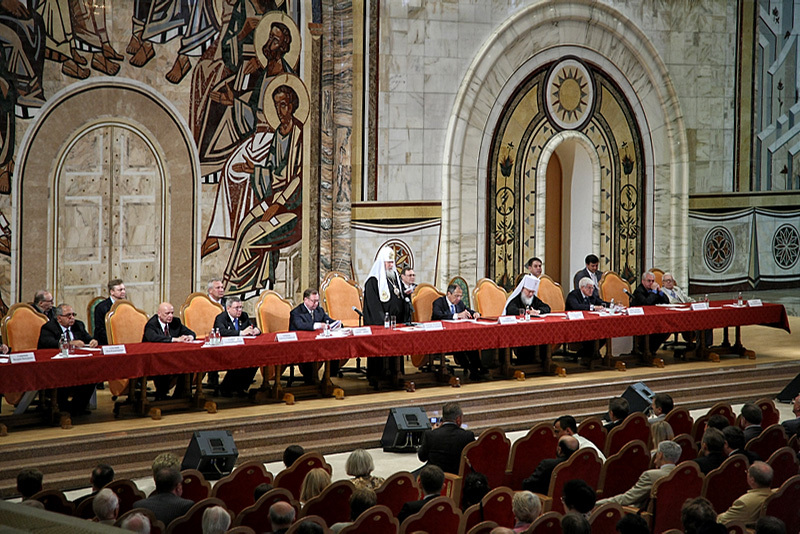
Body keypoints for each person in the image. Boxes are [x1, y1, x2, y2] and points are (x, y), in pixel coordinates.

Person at [38, 303, 99, 416]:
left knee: (92, 374)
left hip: (78, 365)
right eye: (68, 315)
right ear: (59, 318)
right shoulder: (48, 328)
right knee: (63, 376)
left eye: (73, 314)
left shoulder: (78, 325)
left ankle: (78, 408)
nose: (72, 318)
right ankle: (62, 408)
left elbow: (88, 339)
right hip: (56, 367)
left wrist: (93, 341)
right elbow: (48, 343)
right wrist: (69, 344)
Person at [362, 246, 409, 387]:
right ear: (381, 262)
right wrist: (384, 322)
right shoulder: (373, 281)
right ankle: (378, 376)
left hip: (396, 324)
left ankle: (397, 373)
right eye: (388, 262)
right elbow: (373, 306)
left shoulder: (395, 278)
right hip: (381, 325)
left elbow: (400, 298)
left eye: (392, 262)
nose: (391, 265)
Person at [596, 440, 681, 507]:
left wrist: (597, 504)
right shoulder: (683, 474)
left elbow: (627, 499)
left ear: (660, 455)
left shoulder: (650, 476)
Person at [431, 284, 488, 381]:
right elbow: (438, 315)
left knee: (471, 343)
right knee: (459, 345)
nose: (459, 299)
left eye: (460, 296)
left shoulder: (460, 304)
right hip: (442, 336)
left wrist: (475, 313)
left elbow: (467, 310)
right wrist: (456, 315)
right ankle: (472, 369)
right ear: (449, 294)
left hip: (458, 335)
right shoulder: (439, 302)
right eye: (456, 296)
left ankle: (478, 368)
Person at [143, 302, 196, 400]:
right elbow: (153, 337)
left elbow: (191, 333)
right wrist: (174, 339)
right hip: (154, 360)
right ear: (159, 313)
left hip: (173, 358)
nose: (170, 316)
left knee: (189, 363)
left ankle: (181, 395)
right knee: (162, 366)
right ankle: (161, 395)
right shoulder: (152, 324)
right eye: (167, 313)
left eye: (172, 313)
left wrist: (189, 337)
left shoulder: (175, 322)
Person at [214, 296, 261, 397]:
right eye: (237, 308)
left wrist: (257, 330)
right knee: (238, 361)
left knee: (254, 359)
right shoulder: (221, 318)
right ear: (228, 308)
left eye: (241, 307)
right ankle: (226, 388)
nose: (240, 310)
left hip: (243, 348)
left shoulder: (243, 316)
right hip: (226, 349)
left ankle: (241, 387)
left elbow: (252, 326)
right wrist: (241, 333)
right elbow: (222, 331)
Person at [289, 288, 335, 385]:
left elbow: (329, 320)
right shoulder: (296, 312)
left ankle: (326, 379)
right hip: (298, 346)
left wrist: (338, 324)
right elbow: (300, 325)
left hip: (316, 343)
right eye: (313, 301)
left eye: (317, 301)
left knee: (333, 348)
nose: (316, 304)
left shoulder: (319, 311)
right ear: (305, 300)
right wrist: (318, 325)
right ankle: (311, 382)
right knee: (310, 352)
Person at [504, 274, 551, 364]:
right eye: (528, 292)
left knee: (545, 332)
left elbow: (547, 308)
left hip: (535, 329)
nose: (530, 295)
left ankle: (544, 361)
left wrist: (538, 311)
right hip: (517, 331)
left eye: (532, 292)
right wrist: (527, 312)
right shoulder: (516, 299)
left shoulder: (534, 299)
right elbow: (511, 310)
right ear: (522, 289)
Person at [417, 402, 475, 474]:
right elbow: (474, 461)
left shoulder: (430, 434)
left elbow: (422, 457)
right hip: (457, 476)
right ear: (458, 419)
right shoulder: (467, 436)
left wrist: (434, 432)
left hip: (434, 477)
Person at [565, 277, 608, 365]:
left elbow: (601, 302)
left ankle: (588, 354)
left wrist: (612, 305)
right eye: (589, 288)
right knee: (591, 333)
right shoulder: (573, 295)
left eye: (592, 288)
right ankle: (587, 354)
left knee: (605, 332)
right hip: (574, 325)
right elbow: (575, 307)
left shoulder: (592, 296)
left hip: (589, 324)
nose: (591, 290)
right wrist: (592, 307)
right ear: (582, 288)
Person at [717, 462, 774, 527]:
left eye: (747, 472)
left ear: (752, 480)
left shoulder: (744, 502)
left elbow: (723, 521)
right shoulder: (777, 494)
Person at [630, 271, 671, 353]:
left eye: (653, 281)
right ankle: (644, 349)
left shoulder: (654, 291)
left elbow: (666, 301)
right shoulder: (639, 291)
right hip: (639, 320)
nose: (651, 283)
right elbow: (646, 303)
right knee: (658, 328)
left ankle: (651, 350)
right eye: (649, 281)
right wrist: (654, 292)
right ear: (643, 281)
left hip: (652, 318)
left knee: (667, 327)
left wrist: (660, 292)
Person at [205, 278, 226, 388]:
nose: (221, 290)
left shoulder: (228, 303)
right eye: (218, 288)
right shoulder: (202, 304)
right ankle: (212, 378)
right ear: (210, 290)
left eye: (222, 287)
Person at [93, 279, 126, 345]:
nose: (123, 292)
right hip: (105, 342)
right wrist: (114, 339)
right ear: (112, 292)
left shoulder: (126, 305)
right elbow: (100, 329)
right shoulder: (101, 307)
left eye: (124, 289)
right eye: (120, 290)